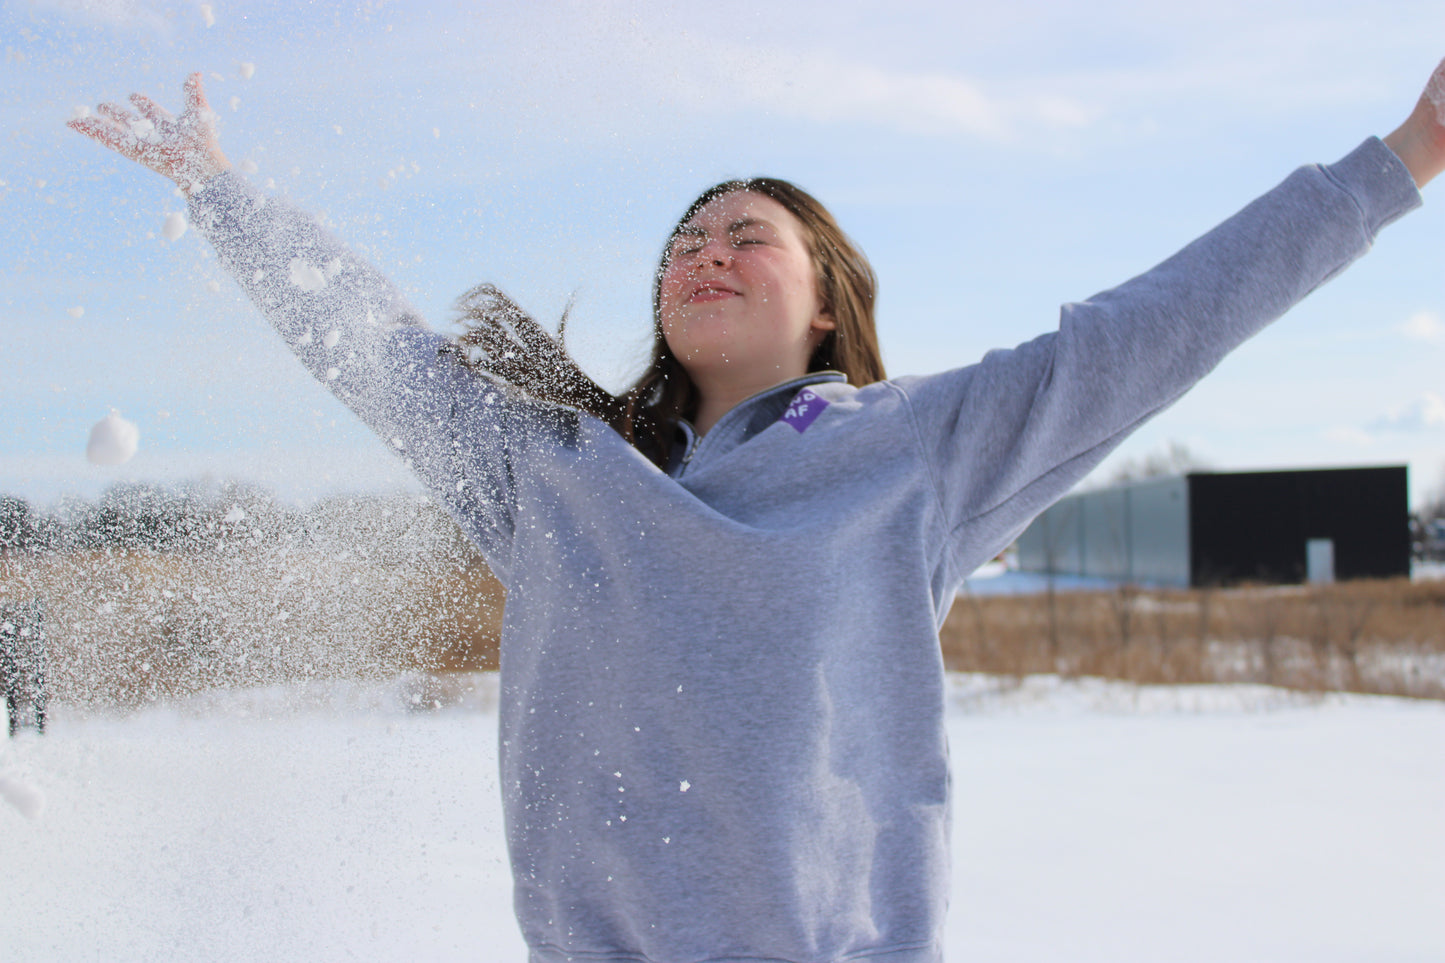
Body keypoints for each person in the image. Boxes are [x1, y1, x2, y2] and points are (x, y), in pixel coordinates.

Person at [69, 62, 1444, 963]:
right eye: (684, 241)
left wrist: (1402, 158)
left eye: (745, 236)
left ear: (826, 301)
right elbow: (382, 351)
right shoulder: (554, 473)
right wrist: (225, 195)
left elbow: (1162, 323)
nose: (703, 253)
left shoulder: (922, 453)